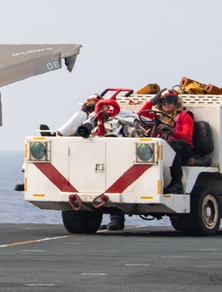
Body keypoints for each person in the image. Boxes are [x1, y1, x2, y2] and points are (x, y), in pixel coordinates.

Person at [56, 95, 126, 231]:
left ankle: (117, 218)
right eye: (89, 107)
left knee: (115, 185)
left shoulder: (115, 118)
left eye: (94, 107)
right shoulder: (82, 118)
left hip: (111, 154)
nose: (92, 110)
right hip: (85, 157)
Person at [138, 89, 193, 194]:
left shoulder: (185, 115)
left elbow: (187, 137)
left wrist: (172, 133)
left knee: (172, 144)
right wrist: (151, 101)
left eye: (170, 100)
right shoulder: (159, 118)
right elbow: (141, 114)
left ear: (176, 102)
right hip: (165, 148)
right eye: (163, 100)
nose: (166, 103)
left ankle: (177, 182)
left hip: (183, 149)